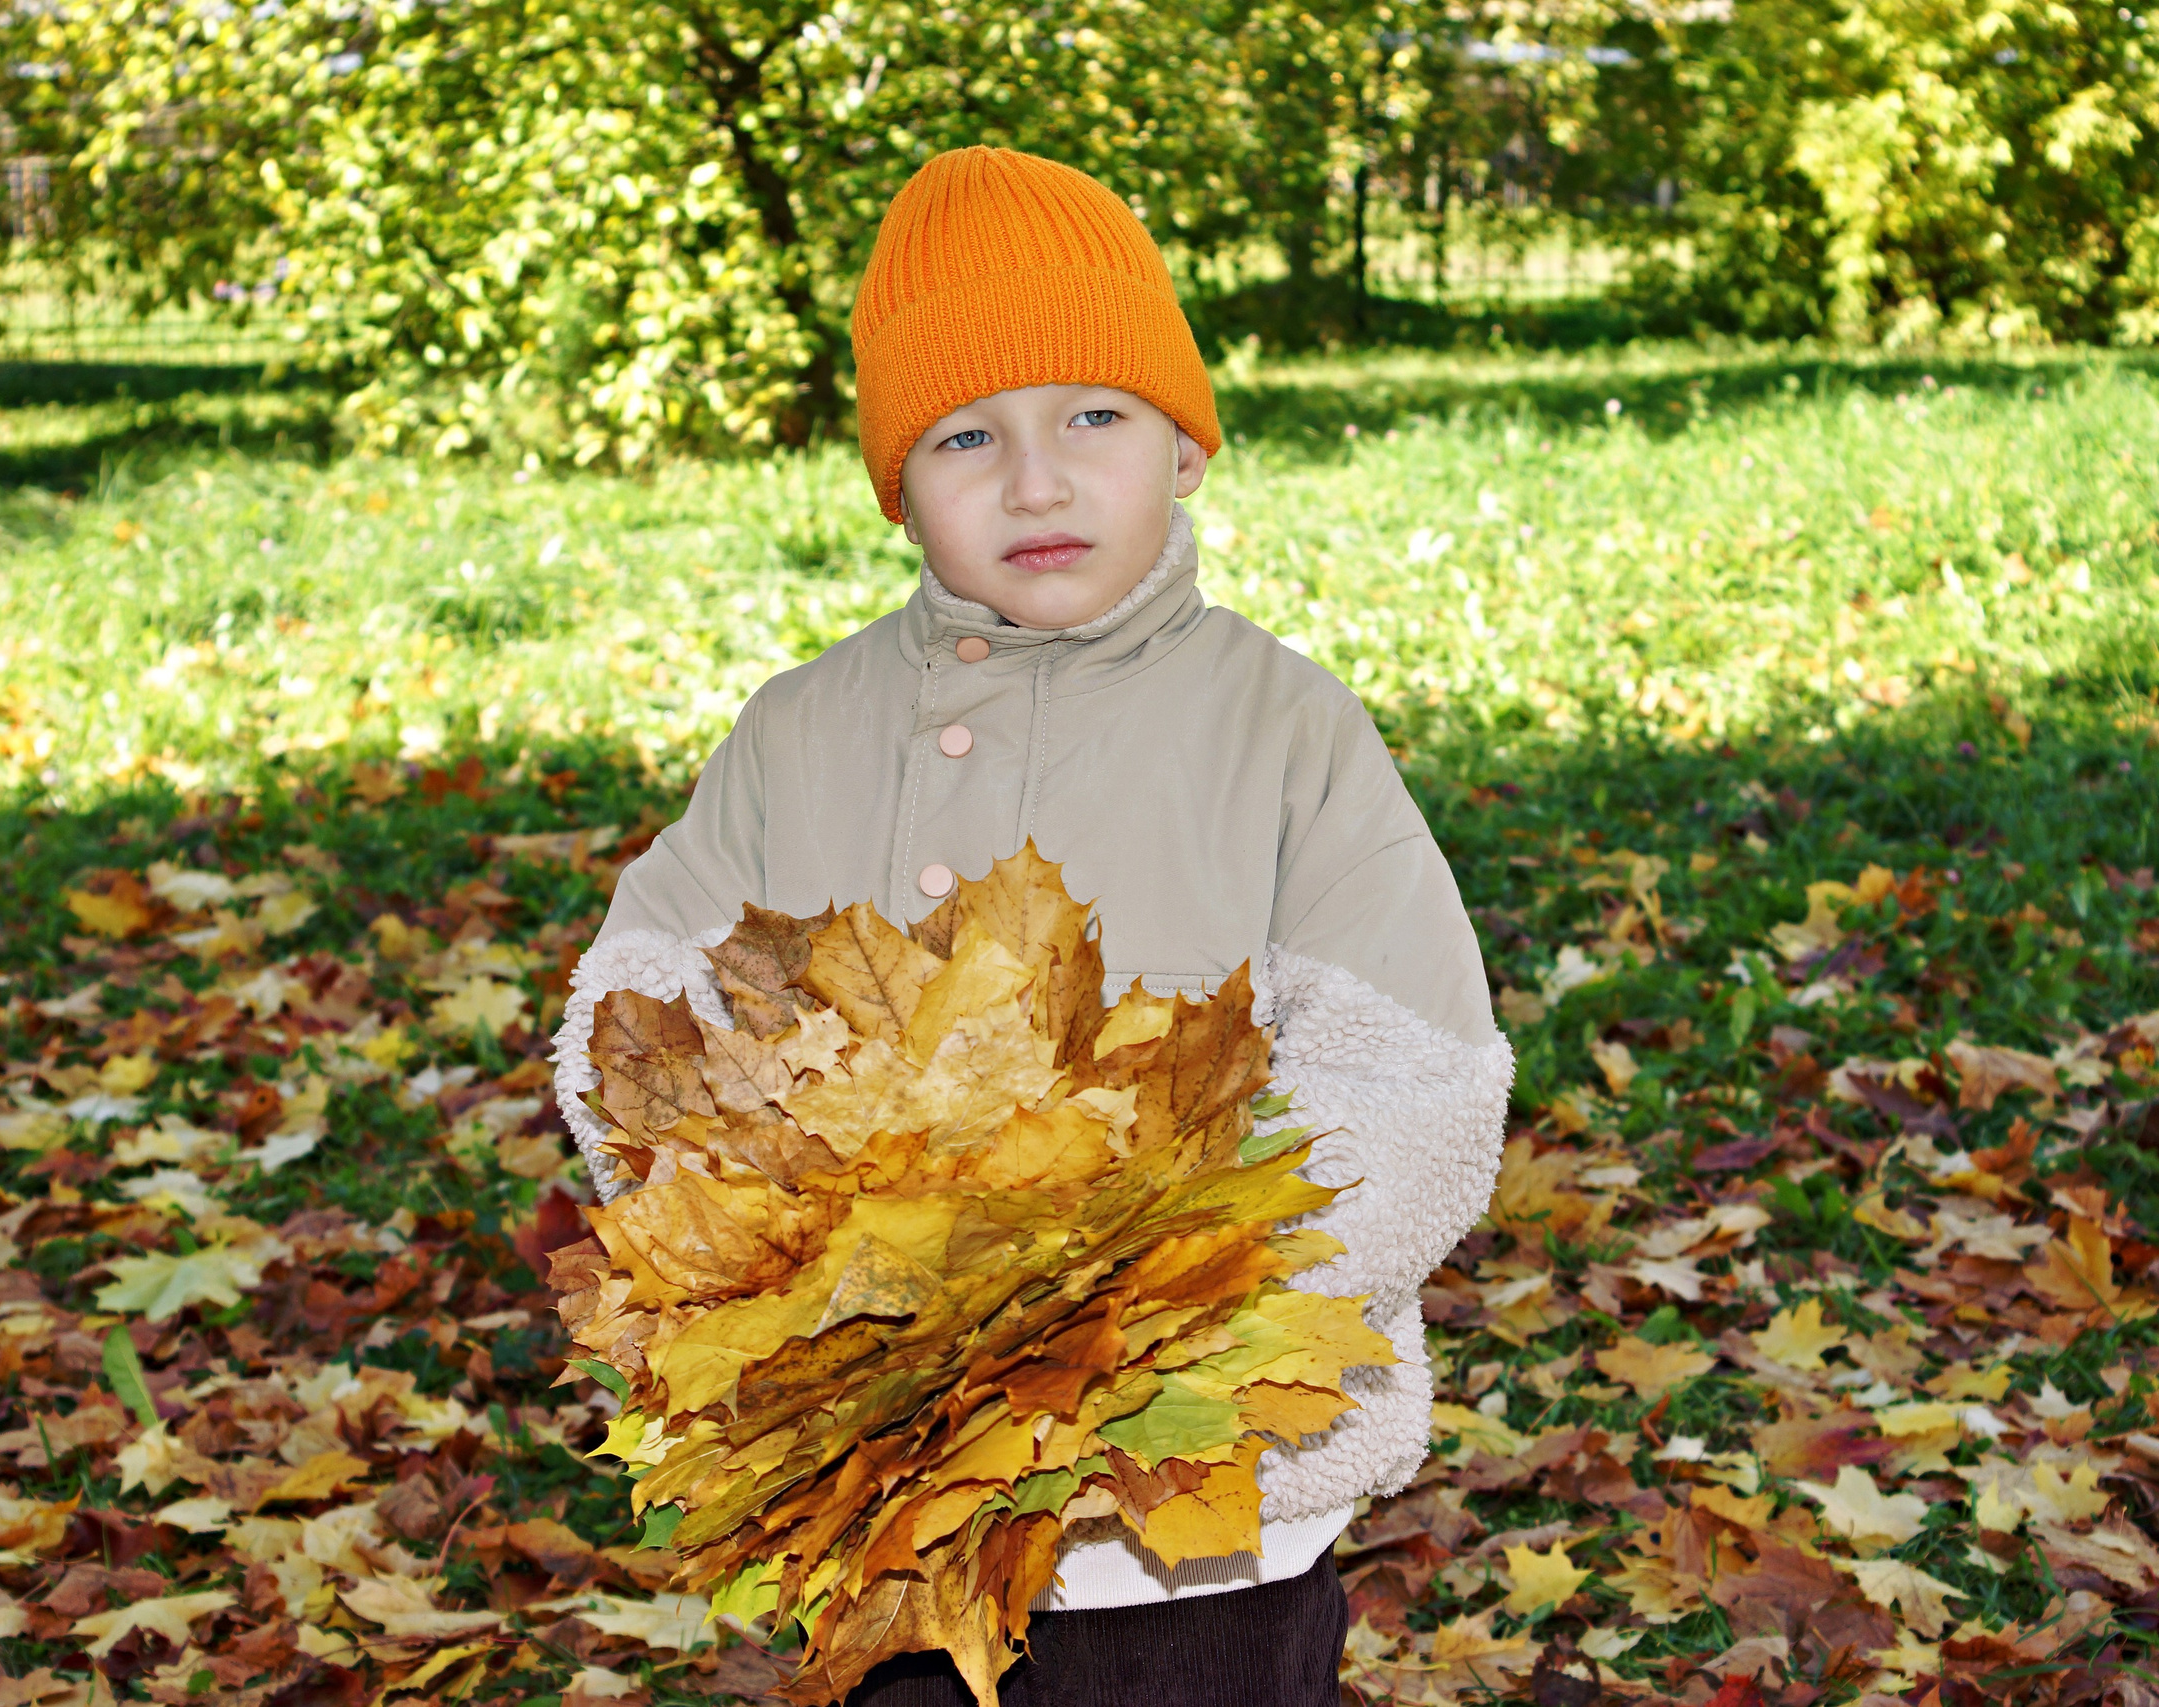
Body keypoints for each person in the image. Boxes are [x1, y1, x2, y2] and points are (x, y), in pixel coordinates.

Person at [554, 146, 1510, 1707]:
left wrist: (1175, 1335)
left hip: (1202, 1521)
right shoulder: (802, 732)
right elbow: (638, 1014)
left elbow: (1411, 1076)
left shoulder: (1285, 731)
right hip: (885, 1494)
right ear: (899, 482)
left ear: (1185, 448)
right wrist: (765, 1269)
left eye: (1094, 417)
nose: (1037, 480)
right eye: (964, 436)